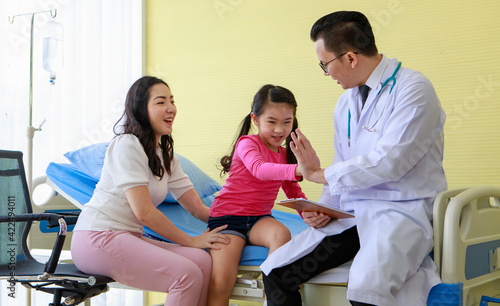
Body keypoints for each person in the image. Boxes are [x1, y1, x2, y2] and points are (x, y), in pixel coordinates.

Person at [260, 11, 447, 306]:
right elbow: (342, 164)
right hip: (352, 214)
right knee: (275, 272)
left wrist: (318, 173)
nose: (325, 74)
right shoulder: (346, 102)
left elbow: (389, 162)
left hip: (400, 211)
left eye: (325, 64)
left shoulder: (413, 89)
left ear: (349, 58)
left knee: (365, 288)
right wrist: (321, 208)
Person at [71, 76, 229, 306]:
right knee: (186, 274)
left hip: (128, 236)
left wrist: (238, 220)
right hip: (97, 238)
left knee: (201, 261)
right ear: (141, 109)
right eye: (160, 102)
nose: (171, 108)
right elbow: (144, 212)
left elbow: (195, 206)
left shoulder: (165, 155)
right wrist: (191, 240)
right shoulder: (126, 144)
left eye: (172, 101)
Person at [206, 84, 307, 306]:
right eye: (271, 122)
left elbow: (293, 192)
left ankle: (271, 298)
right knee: (222, 281)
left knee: (281, 233)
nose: (279, 130)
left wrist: (310, 215)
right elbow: (259, 169)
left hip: (259, 218)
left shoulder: (285, 153)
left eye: (286, 122)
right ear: (255, 119)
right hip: (228, 219)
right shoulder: (247, 143)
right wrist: (299, 169)